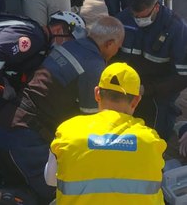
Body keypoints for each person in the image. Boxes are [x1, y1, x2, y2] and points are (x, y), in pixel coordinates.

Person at [0, 16, 124, 204]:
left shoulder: (70, 46)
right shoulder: (94, 66)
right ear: (109, 43)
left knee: (20, 189)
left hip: (7, 126)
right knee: (57, 196)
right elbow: (92, 123)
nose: (117, 51)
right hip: (24, 140)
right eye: (118, 47)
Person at [46, 62, 166, 205]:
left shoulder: (67, 132)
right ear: (136, 100)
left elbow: (50, 180)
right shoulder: (152, 141)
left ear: (97, 93)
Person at [114, 0, 187, 140]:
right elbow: (112, 54)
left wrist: (148, 89)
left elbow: (182, 77)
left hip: (160, 90)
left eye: (144, 16)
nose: (139, 20)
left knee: (156, 135)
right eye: (136, 16)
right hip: (128, 85)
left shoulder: (176, 28)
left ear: (156, 7)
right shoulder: (123, 19)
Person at [0, 11, 86, 113]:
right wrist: (2, 88)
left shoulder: (39, 38)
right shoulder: (35, 38)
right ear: (58, 30)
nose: (67, 46)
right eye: (69, 41)